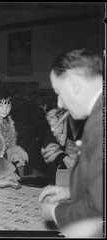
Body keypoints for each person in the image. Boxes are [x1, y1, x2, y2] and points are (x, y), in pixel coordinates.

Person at [38, 48, 103, 233]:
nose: (59, 103)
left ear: (74, 83)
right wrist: (72, 191)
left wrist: (55, 212)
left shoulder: (99, 124)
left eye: (59, 92)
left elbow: (99, 208)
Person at [41, 107, 85, 185]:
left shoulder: (98, 118)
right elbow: (47, 150)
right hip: (61, 179)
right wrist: (64, 158)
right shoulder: (56, 117)